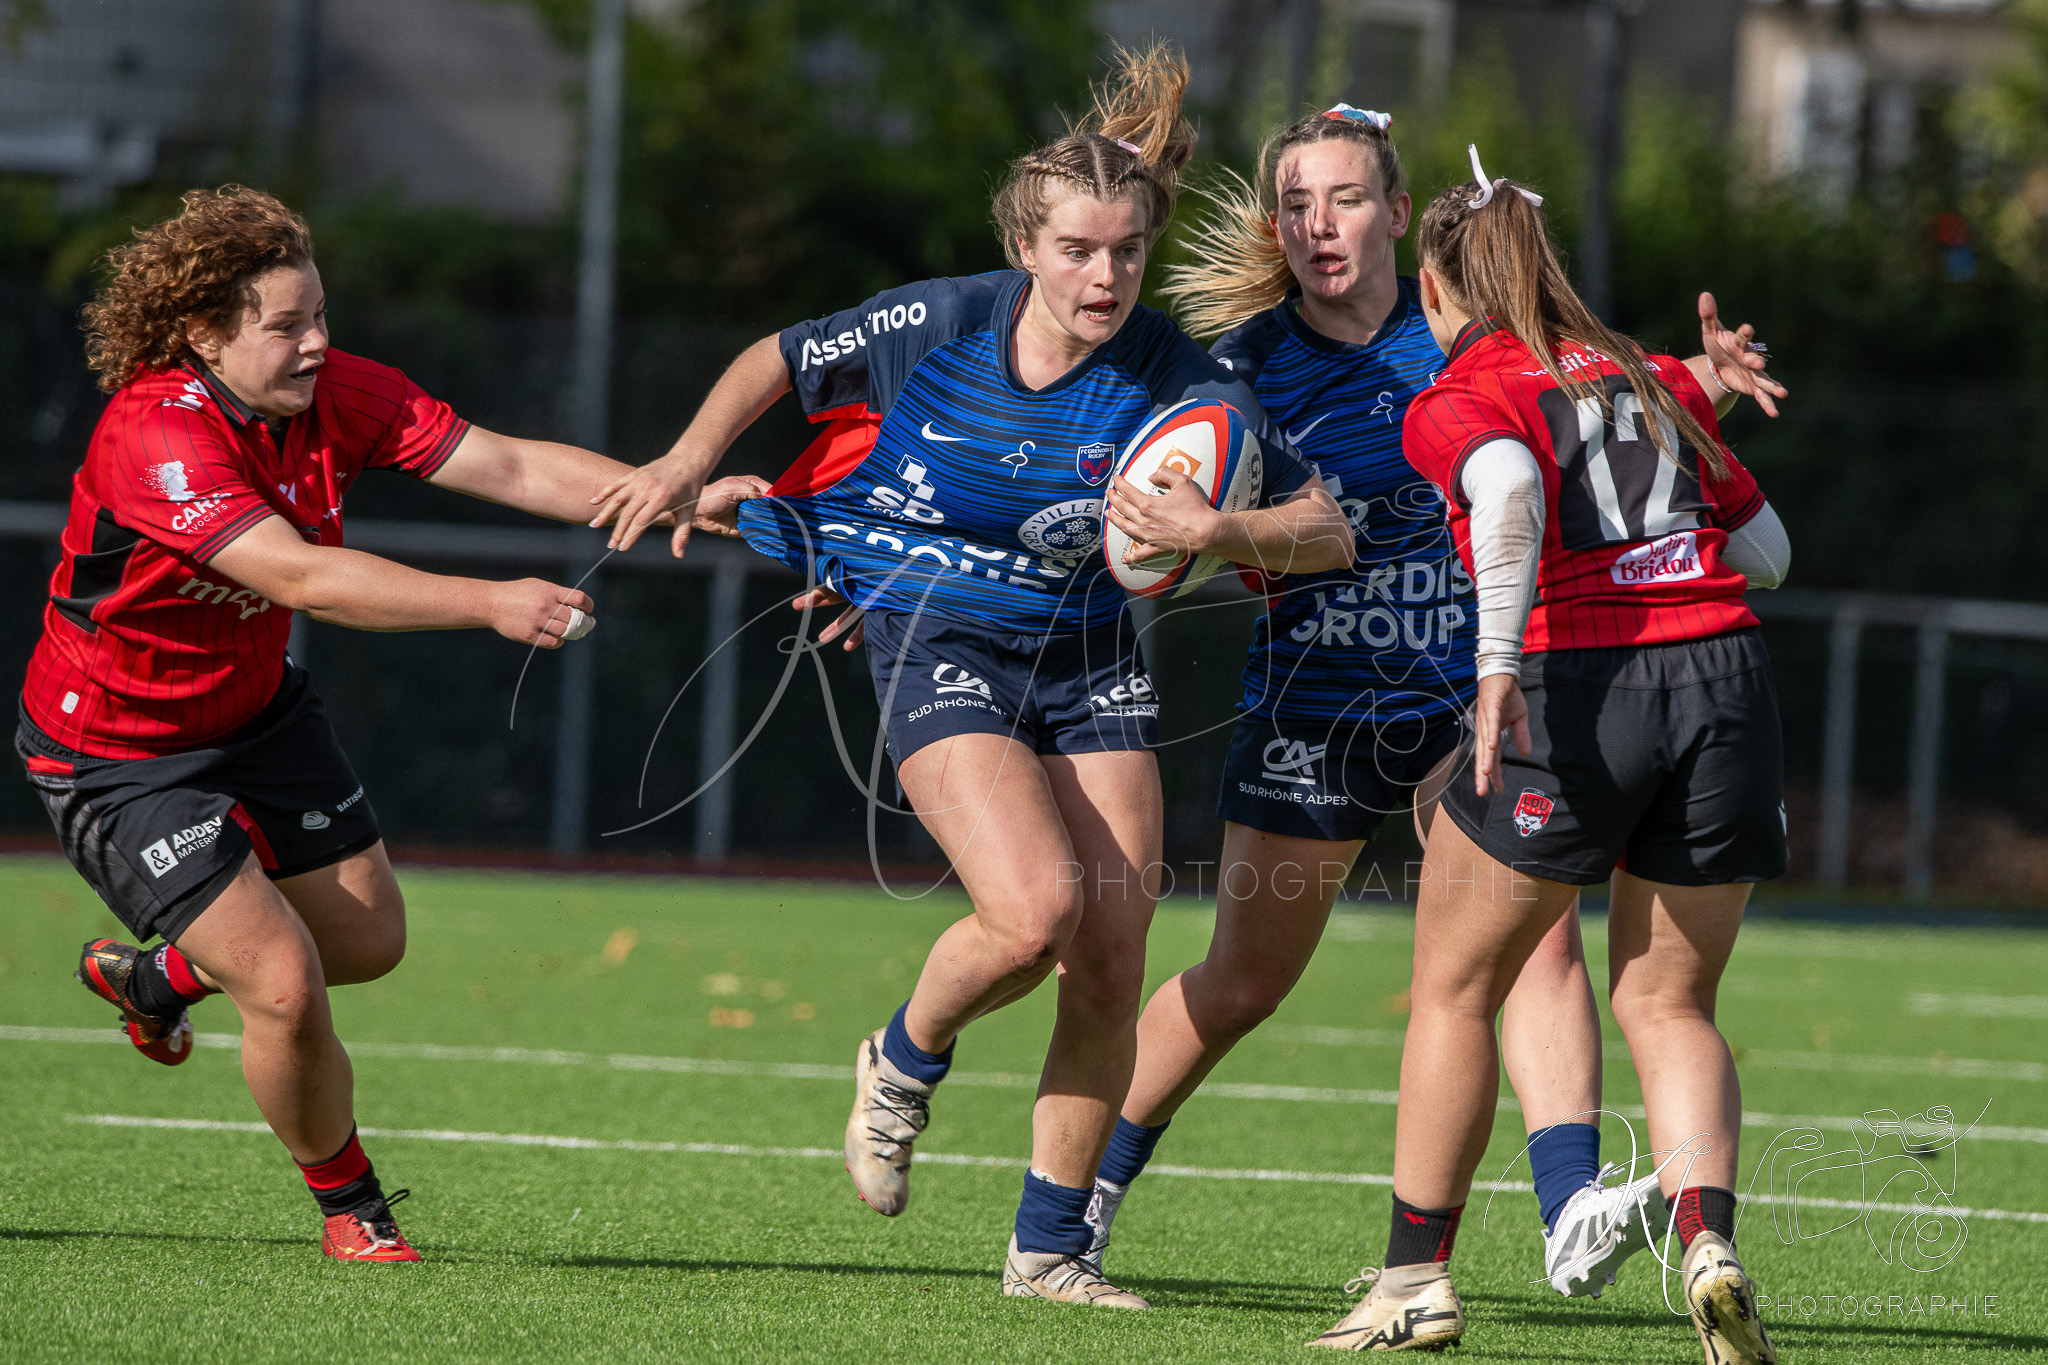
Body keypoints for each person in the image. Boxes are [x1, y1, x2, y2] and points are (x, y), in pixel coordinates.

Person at [588, 47, 1352, 1308]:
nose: (1103, 277)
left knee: (1110, 956)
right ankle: (902, 1059)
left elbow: (1324, 527)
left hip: (1089, 658)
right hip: (938, 640)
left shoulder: (1181, 381)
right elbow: (779, 355)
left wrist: (1217, 530)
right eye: (1076, 251)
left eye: (1126, 252)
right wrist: (682, 462)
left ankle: (1048, 1252)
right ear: (1022, 247)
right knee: (1033, 916)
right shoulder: (940, 321)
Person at [1083, 105, 1787, 1305]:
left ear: (1399, 217)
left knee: (1534, 946)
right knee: (1242, 982)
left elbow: (1591, 444)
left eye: (1344, 198)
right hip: (1315, 705)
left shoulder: (1466, 332)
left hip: (1474, 698)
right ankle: (1082, 1192)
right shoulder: (1237, 371)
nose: (1316, 225)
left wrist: (1698, 391)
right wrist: (1210, 529)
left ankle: (1569, 1207)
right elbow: (1171, 509)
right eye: (1294, 205)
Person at [20, 186, 673, 1262]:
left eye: (320, 314)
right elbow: (301, 577)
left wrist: (679, 493)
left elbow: (511, 463)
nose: (317, 343)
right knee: (281, 983)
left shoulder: (338, 392)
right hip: (119, 753)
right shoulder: (155, 433)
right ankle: (353, 1209)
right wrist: (489, 601)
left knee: (368, 942)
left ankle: (156, 978)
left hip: (257, 713)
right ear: (204, 333)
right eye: (286, 325)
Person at [1309, 150, 1790, 1359]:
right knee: (1667, 999)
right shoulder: (1649, 376)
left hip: (1579, 688)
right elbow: (1767, 552)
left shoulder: (1455, 392)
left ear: (1432, 286)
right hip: (1726, 679)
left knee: (1453, 987)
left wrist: (1492, 664)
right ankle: (1708, 1248)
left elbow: (1510, 485)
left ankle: (1413, 1280)